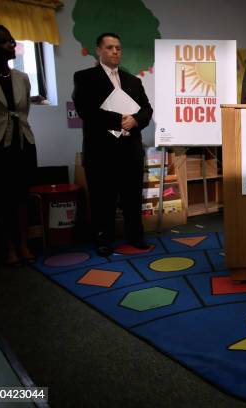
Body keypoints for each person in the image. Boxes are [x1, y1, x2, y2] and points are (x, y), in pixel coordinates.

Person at [72, 33, 153, 257]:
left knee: (132, 197)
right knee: (102, 199)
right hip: (101, 150)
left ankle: (135, 237)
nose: (115, 51)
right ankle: (103, 240)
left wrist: (136, 120)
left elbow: (147, 110)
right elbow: (85, 110)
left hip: (130, 149)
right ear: (99, 50)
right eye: (109, 48)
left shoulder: (133, 81)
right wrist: (119, 120)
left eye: (118, 48)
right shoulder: (84, 77)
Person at [0, 24, 38, 267]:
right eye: (5, 41)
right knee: (0, 198)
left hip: (22, 141)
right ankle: (9, 248)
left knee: (21, 196)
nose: (12, 45)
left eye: (12, 40)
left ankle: (23, 244)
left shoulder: (22, 77)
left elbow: (24, 112)